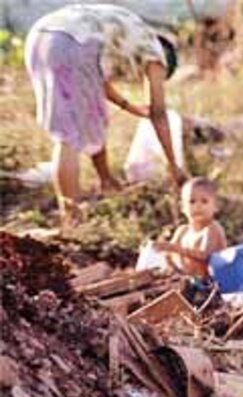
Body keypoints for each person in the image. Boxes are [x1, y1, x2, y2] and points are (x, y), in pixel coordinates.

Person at [25, 4, 185, 225]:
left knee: (94, 113)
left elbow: (98, 83)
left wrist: (129, 107)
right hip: (72, 43)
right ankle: (71, 216)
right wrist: (173, 165)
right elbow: (158, 113)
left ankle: (106, 181)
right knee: (68, 136)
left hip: (41, 36)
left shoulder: (129, 33)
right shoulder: (155, 53)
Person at [154, 177, 227, 278]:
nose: (198, 206)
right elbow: (170, 255)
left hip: (212, 283)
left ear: (215, 206)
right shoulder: (182, 231)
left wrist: (176, 249)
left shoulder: (212, 228)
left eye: (204, 201)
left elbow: (207, 257)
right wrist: (165, 253)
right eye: (192, 201)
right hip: (190, 280)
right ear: (183, 207)